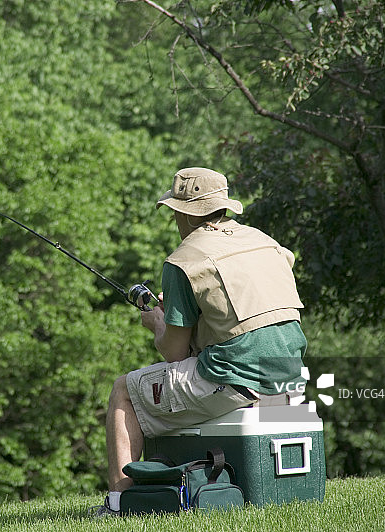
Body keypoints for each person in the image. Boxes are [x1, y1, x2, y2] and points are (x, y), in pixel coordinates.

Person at [90, 167, 307, 517]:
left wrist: (158, 323)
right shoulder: (266, 243)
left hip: (236, 380)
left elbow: (173, 353)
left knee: (124, 391)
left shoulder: (182, 261)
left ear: (185, 213)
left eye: (175, 210)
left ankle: (119, 504)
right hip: (289, 377)